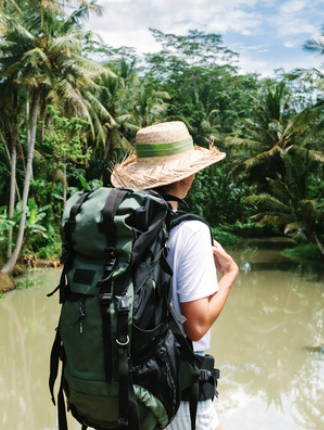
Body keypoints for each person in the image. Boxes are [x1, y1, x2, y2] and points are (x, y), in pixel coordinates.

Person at [110, 121, 239, 430]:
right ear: (188, 175)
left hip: (125, 382)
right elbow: (195, 326)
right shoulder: (191, 231)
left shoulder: (120, 226)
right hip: (175, 390)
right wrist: (230, 275)